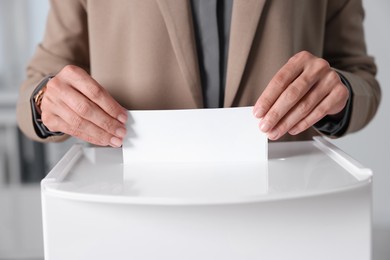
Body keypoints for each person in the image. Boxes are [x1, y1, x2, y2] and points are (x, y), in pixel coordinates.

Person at [17, 0, 381, 147]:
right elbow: (40, 80)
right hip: (133, 213)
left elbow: (358, 73)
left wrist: (341, 93)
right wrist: (45, 102)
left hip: (282, 213)